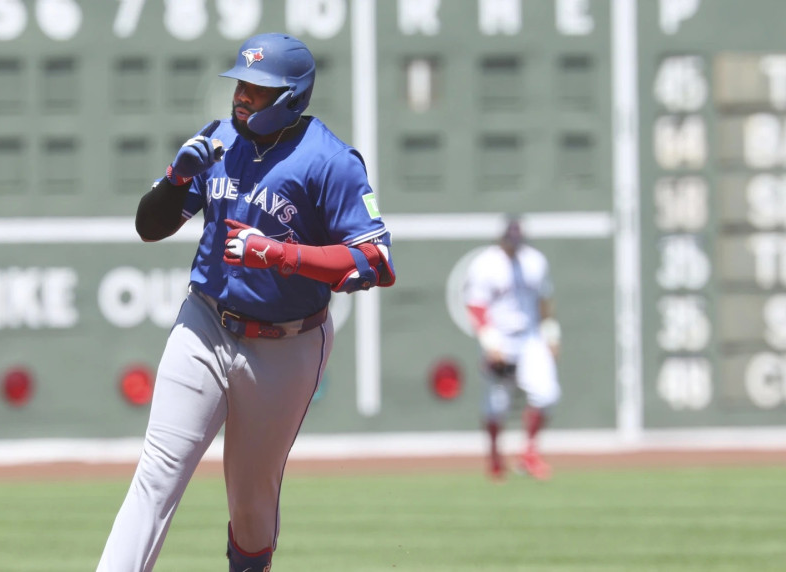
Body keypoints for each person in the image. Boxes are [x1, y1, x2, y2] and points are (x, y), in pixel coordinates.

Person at [96, 32, 395, 572]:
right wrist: (176, 177)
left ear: (292, 97)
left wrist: (281, 255)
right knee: (156, 477)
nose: (242, 95)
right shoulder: (217, 141)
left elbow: (375, 261)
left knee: (252, 506)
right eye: (241, 83)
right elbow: (149, 227)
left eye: (259, 89)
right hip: (204, 325)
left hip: (286, 343)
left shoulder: (330, 161)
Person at [463, 216, 560, 481]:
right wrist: (490, 342)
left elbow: (545, 301)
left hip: (529, 337)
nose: (514, 243)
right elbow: (475, 305)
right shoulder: (486, 264)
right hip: (500, 337)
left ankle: (529, 454)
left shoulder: (535, 261)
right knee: (497, 404)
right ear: (501, 237)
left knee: (547, 393)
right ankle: (495, 457)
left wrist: (550, 334)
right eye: (510, 238)